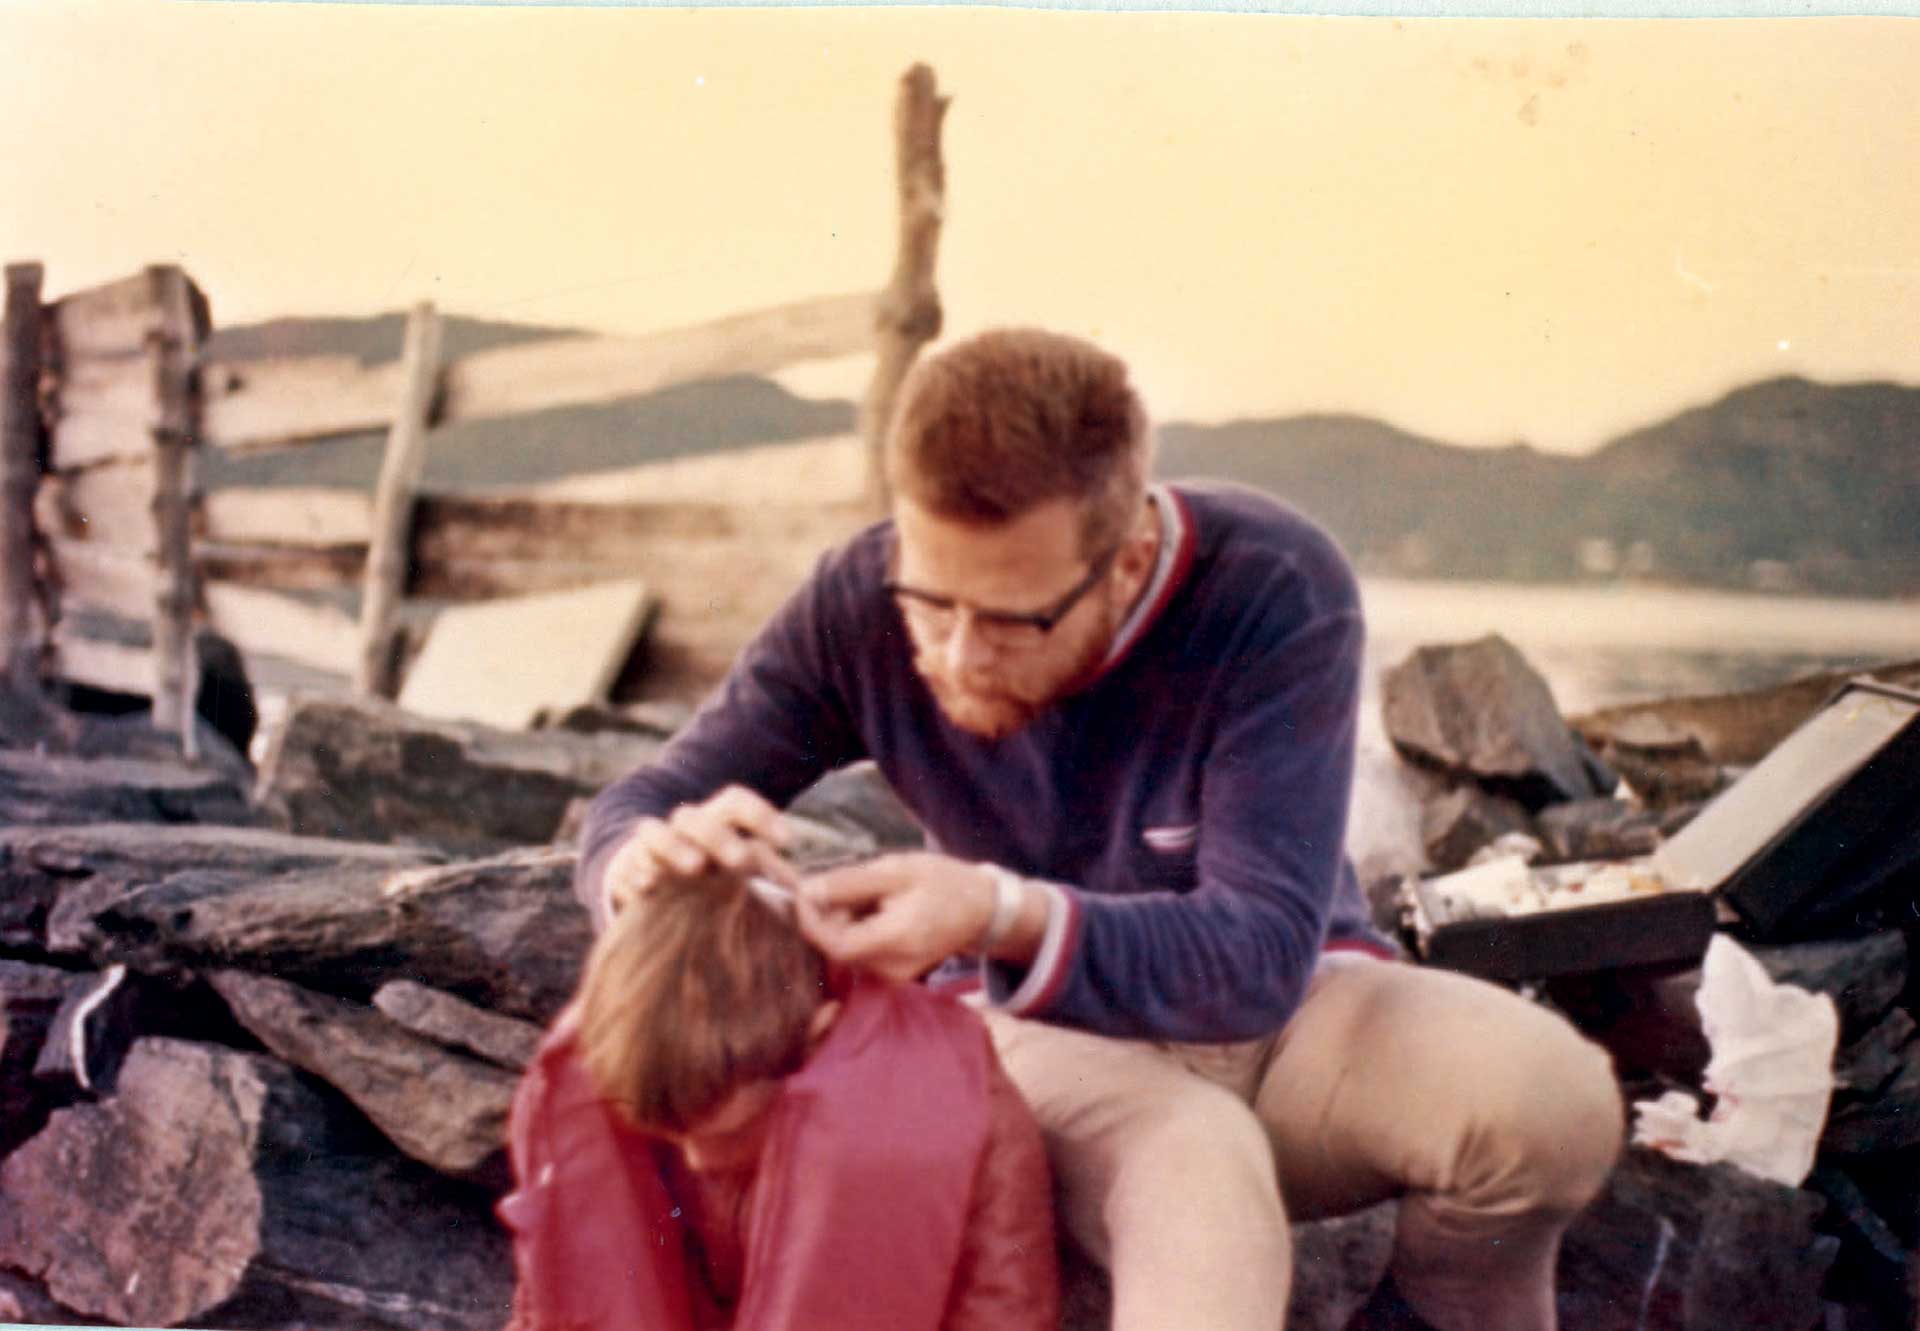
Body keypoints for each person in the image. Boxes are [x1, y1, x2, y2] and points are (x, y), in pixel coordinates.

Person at [576, 328, 1624, 1331]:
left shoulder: (1271, 584)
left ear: (1127, 562)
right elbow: (643, 800)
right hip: (1041, 1033)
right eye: (931, 604)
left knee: (1553, 1099)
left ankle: (1431, 1307)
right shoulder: (861, 598)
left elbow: (1259, 958)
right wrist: (638, 862)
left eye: (1011, 618)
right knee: (1200, 1166)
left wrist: (997, 910)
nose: (957, 655)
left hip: (1290, 1012)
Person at [499, 866, 1059, 1331]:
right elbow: (549, 1297)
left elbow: (1005, 1311)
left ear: (818, 1039)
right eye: (669, 1137)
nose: (697, 1161)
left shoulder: (965, 1116)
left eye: (726, 1132)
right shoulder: (648, 1077)